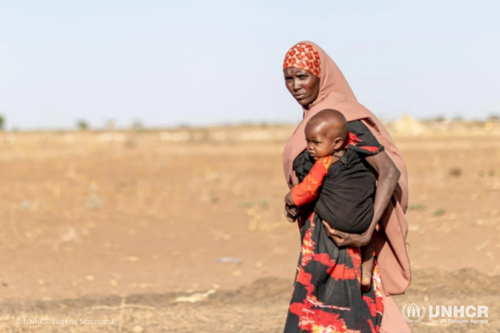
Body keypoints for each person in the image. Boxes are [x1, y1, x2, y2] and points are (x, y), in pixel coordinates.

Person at [282, 41, 412, 333]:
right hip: (319, 238)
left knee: (345, 314)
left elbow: (388, 170)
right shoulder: (317, 120)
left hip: (344, 241)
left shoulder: (341, 119)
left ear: (321, 75)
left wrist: (367, 231)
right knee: (329, 313)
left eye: (302, 76)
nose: (295, 86)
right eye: (288, 78)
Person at [284, 109, 379, 293]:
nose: (310, 147)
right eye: (308, 141)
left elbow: (308, 190)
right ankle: (366, 272)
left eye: (315, 142)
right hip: (365, 222)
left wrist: (290, 197)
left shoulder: (324, 163)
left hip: (339, 225)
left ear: (336, 143)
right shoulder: (357, 160)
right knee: (368, 244)